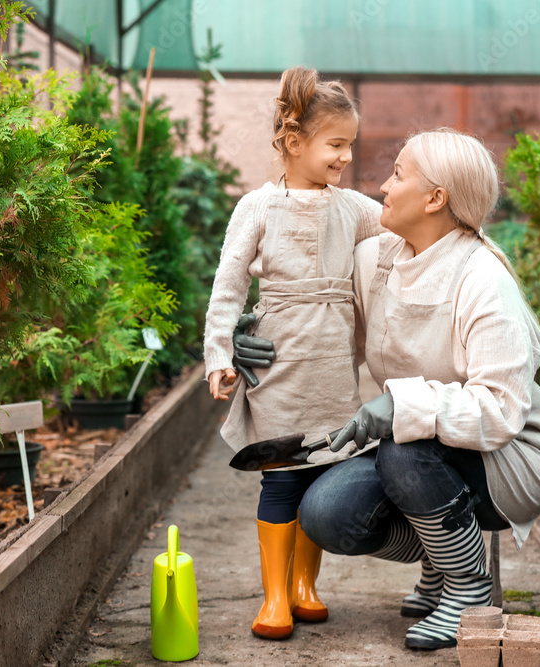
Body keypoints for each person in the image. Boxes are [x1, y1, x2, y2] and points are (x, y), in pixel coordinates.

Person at [234, 128, 540, 651]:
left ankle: (466, 584)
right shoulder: (378, 258)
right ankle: (442, 556)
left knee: (403, 452)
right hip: (419, 448)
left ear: (436, 199)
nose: (382, 186)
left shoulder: (482, 279)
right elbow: (306, 297)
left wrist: (403, 405)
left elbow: (502, 412)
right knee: (327, 513)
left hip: (509, 459)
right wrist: (248, 330)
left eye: (397, 174)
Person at [202, 66, 384, 640]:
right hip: (278, 366)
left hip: (333, 366)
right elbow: (228, 287)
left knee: (321, 472)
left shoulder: (353, 208)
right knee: (281, 478)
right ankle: (274, 597)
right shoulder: (257, 208)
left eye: (350, 145)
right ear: (294, 141)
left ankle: (306, 587)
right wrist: (219, 356)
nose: (345, 157)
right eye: (336, 144)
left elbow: (401, 232)